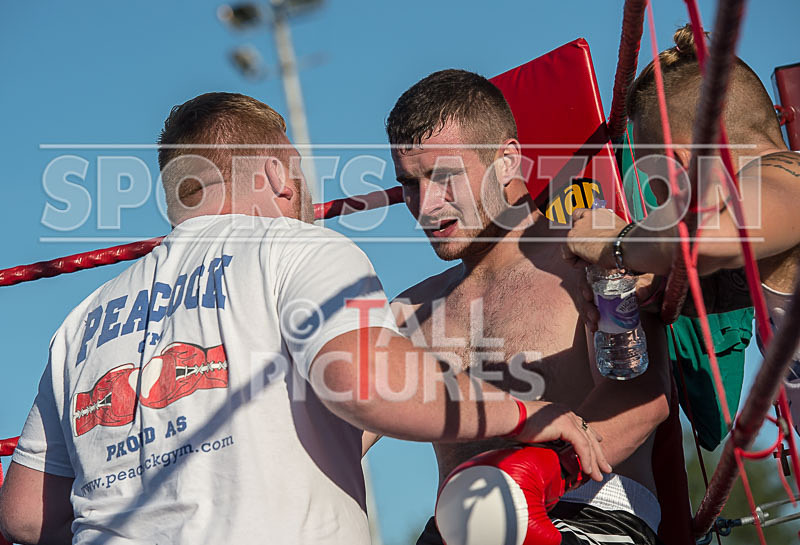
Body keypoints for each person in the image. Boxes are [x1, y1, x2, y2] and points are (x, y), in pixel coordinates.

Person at [0, 93, 608, 545]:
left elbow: (24, 514)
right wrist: (525, 413)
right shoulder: (299, 250)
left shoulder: (79, 323)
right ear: (274, 173)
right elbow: (366, 387)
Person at [377, 70, 671, 545]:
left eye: (445, 176)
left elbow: (644, 397)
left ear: (507, 161)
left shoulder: (588, 255)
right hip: (459, 529)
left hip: (588, 513)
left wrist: (534, 473)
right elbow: (337, 435)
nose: (427, 204)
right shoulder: (408, 312)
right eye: (410, 183)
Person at [563, 25, 800, 435]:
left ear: (679, 161)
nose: (656, 202)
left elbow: (702, 238)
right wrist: (651, 291)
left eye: (653, 178)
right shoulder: (771, 228)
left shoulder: (791, 175)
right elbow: (722, 267)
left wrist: (615, 243)